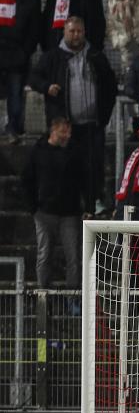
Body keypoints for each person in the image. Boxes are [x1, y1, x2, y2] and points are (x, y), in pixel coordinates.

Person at [29, 16, 117, 217]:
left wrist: (104, 114)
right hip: (66, 126)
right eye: (72, 31)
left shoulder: (95, 55)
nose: (76, 35)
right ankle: (68, 202)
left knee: (94, 165)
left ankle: (93, 202)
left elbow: (110, 85)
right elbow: (34, 77)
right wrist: (47, 87)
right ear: (64, 32)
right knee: (65, 166)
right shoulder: (52, 57)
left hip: (92, 125)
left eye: (79, 31)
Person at [22, 117, 83, 289]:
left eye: (69, 132)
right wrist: (33, 208)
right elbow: (26, 179)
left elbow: (85, 178)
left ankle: (73, 298)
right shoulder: (39, 151)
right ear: (53, 131)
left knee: (73, 256)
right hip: (44, 212)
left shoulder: (75, 151)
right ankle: (43, 294)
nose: (67, 136)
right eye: (63, 132)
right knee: (44, 254)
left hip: (69, 213)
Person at [0, 0, 41, 145]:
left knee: (15, 94)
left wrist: (25, 52)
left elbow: (34, 28)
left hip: (17, 55)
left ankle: (13, 129)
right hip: (12, 52)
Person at [41, 0, 106, 52]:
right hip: (56, 54)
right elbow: (46, 24)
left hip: (85, 54)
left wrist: (93, 53)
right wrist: (48, 52)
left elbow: (99, 28)